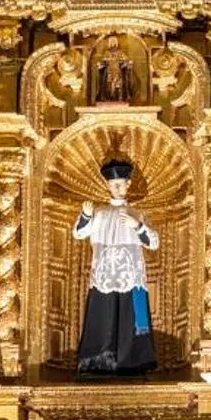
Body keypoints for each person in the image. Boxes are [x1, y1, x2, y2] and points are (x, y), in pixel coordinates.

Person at [74, 157, 159, 374]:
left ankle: (135, 361)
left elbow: (153, 243)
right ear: (107, 186)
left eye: (121, 183)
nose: (117, 187)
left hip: (133, 277)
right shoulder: (100, 212)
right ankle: (98, 361)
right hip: (104, 275)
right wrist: (85, 215)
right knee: (103, 317)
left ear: (128, 184)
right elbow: (79, 232)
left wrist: (138, 226)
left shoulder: (137, 213)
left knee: (136, 318)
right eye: (113, 184)